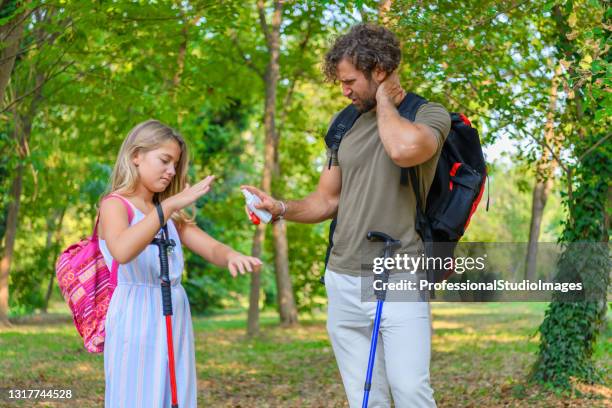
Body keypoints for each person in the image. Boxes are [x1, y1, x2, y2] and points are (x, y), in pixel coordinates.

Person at [242, 24, 450, 407]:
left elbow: (404, 151)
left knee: (410, 391)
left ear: (381, 71)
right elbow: (326, 200)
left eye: (352, 81)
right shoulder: (344, 124)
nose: (345, 90)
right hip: (342, 278)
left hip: (401, 275)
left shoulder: (428, 114)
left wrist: (386, 102)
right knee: (364, 397)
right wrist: (282, 208)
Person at [98, 119, 262, 408]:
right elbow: (122, 250)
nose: (172, 171)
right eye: (165, 160)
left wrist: (232, 256)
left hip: (174, 310)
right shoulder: (115, 204)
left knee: (175, 396)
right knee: (135, 395)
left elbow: (210, 246)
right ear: (136, 156)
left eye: (175, 164)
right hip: (136, 311)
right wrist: (169, 206)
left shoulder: (169, 214)